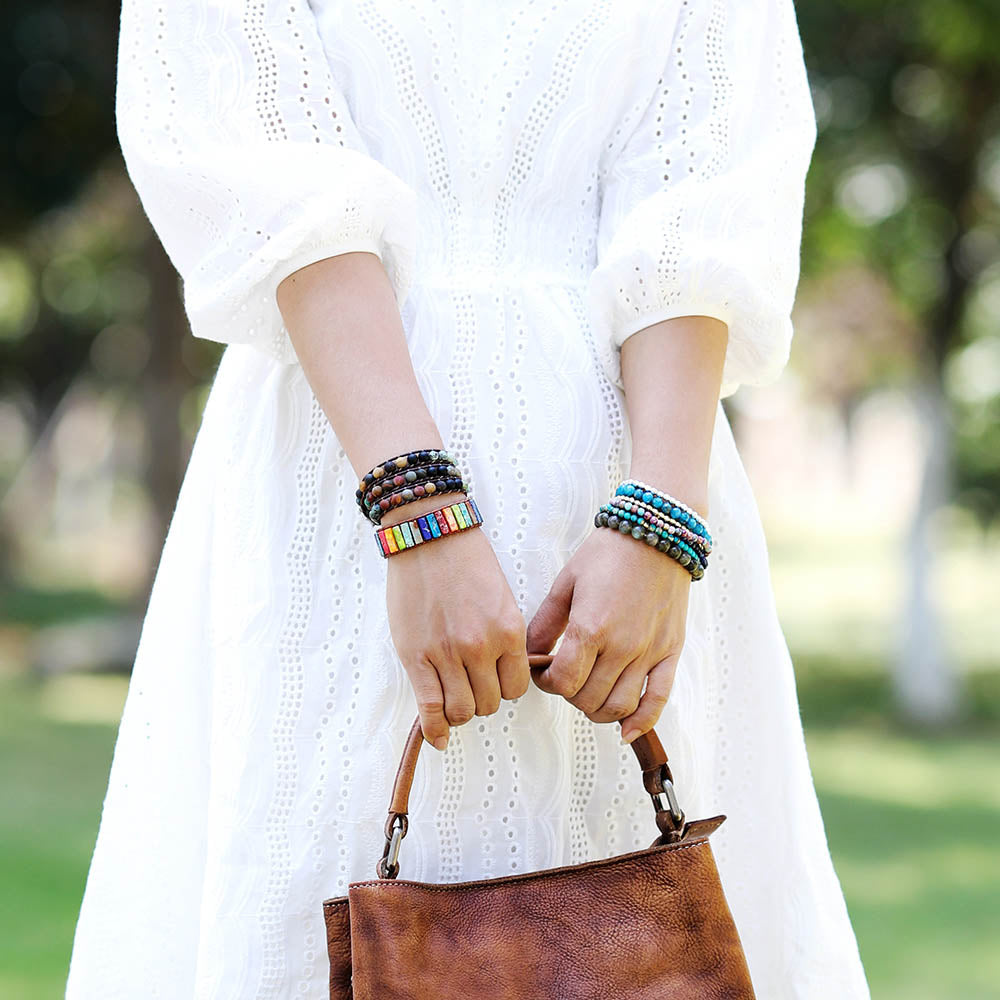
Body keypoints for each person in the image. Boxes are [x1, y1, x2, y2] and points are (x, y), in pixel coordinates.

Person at [65, 0, 871, 996]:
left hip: (632, 461)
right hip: (339, 454)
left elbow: (708, 181)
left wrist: (660, 525)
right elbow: (263, 169)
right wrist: (415, 509)